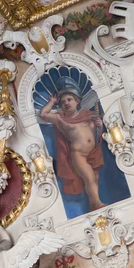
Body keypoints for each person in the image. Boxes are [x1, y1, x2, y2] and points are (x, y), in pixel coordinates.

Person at [40, 76, 105, 210]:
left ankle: (94, 205)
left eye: (69, 100)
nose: (66, 103)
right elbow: (44, 114)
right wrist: (52, 101)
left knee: (95, 178)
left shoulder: (87, 114)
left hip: (93, 152)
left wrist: (100, 125)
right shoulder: (60, 119)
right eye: (63, 102)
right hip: (78, 155)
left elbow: (96, 133)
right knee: (90, 178)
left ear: (77, 101)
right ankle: (98, 203)